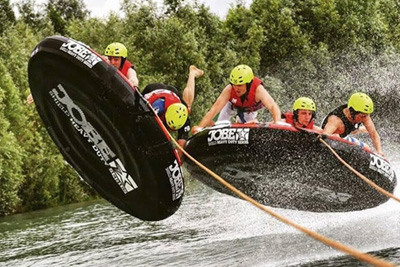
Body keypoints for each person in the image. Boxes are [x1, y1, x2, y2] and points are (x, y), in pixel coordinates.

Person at [192, 64, 281, 133]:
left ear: (248, 84)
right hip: (231, 105)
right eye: (234, 84)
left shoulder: (258, 89)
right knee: (219, 125)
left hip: (249, 110)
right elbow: (214, 110)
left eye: (240, 85)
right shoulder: (229, 89)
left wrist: (277, 124)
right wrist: (200, 127)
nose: (236, 88)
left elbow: (273, 106)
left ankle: (241, 123)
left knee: (247, 127)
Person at [142, 65, 204, 159]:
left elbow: (181, 148)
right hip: (153, 90)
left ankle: (192, 73)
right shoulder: (157, 108)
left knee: (188, 105)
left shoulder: (184, 119)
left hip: (173, 95)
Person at [321, 92, 384, 156]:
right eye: (363, 116)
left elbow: (374, 134)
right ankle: (359, 129)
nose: (365, 119)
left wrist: (379, 151)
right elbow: (324, 136)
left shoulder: (364, 115)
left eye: (366, 116)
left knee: (366, 146)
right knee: (365, 147)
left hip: (347, 131)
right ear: (352, 112)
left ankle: (359, 129)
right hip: (337, 136)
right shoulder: (335, 120)